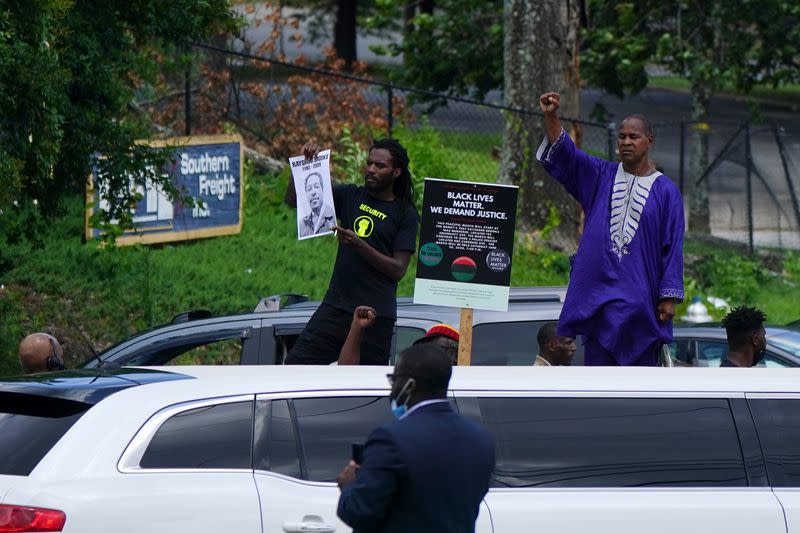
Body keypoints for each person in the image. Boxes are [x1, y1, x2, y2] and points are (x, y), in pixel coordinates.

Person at [537, 91, 685, 366]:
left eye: (634, 137)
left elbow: (673, 246)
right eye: (622, 137)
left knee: (640, 391)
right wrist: (551, 115)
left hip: (642, 306)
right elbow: (567, 155)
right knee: (599, 386)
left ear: (649, 141)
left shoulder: (666, 191)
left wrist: (669, 297)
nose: (626, 142)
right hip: (598, 303)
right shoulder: (600, 175)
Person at [284, 138, 419, 365]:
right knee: (296, 367)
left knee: (364, 386)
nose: (371, 169)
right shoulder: (350, 196)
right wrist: (302, 165)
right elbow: (293, 200)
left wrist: (359, 245)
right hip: (336, 306)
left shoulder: (405, 213)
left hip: (375, 315)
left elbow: (398, 270)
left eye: (380, 166)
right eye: (369, 163)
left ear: (396, 172)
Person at [336, 343, 494, 533]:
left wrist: (349, 486)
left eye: (394, 380)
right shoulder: (480, 437)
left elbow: (359, 512)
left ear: (409, 385)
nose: (392, 388)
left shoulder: (391, 438)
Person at [299, 172, 336, 237]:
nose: (313, 192)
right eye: (309, 189)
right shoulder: (302, 224)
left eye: (316, 187)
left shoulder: (334, 217)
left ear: (322, 189)